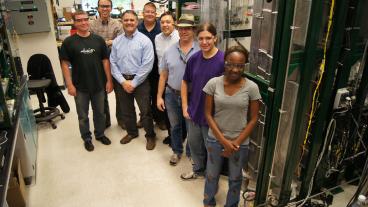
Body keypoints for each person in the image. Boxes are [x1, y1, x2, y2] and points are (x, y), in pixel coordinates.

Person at [202, 46, 261, 207]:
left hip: (240, 143)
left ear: (244, 66)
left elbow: (254, 118)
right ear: (224, 63)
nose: (235, 69)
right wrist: (223, 141)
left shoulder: (252, 87)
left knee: (235, 178)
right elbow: (208, 114)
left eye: (240, 65)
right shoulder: (213, 84)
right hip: (215, 140)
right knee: (212, 175)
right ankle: (208, 202)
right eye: (230, 64)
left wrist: (235, 142)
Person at [60, 10, 113, 152]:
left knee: (100, 113)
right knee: (83, 116)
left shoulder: (98, 40)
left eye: (85, 19)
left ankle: (100, 134)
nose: (83, 22)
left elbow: (105, 61)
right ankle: (87, 138)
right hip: (79, 87)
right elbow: (65, 64)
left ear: (89, 20)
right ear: (74, 22)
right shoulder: (69, 42)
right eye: (79, 20)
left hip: (98, 85)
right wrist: (69, 85)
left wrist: (109, 80)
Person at [180, 23, 225, 179]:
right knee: (194, 145)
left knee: (211, 149)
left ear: (215, 38)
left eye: (208, 38)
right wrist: (185, 106)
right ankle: (198, 170)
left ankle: (212, 177)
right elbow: (185, 82)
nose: (204, 42)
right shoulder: (194, 59)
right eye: (201, 39)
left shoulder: (223, 60)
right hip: (194, 113)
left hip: (212, 117)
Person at [110, 10, 157, 150]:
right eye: (126, 20)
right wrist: (123, 82)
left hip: (140, 81)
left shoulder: (144, 40)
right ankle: (131, 132)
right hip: (122, 81)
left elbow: (148, 64)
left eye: (132, 20)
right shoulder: (117, 41)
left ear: (137, 22)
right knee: (126, 110)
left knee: (145, 111)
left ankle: (150, 135)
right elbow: (113, 63)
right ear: (122, 22)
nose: (129, 22)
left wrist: (134, 82)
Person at [157, 14, 199, 165]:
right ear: (177, 30)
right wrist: (159, 97)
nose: (184, 32)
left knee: (191, 127)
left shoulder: (200, 50)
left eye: (187, 28)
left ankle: (190, 152)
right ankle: (176, 151)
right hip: (171, 94)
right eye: (181, 29)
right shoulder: (169, 51)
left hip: (192, 96)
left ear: (193, 30)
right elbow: (163, 75)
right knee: (175, 126)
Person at [90, 0, 123, 129]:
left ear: (111, 8)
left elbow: (120, 42)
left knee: (120, 95)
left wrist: (102, 43)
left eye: (107, 6)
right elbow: (90, 42)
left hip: (116, 64)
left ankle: (122, 120)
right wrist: (110, 42)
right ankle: (105, 121)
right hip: (98, 65)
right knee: (101, 94)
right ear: (98, 8)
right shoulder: (91, 25)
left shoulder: (118, 24)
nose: (105, 9)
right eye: (102, 6)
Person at [138, 2, 167, 130]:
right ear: (143, 13)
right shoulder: (137, 28)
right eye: (147, 11)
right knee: (143, 95)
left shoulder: (162, 27)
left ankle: (159, 118)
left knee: (157, 93)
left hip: (158, 69)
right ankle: (144, 117)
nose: (149, 14)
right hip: (141, 68)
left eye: (152, 12)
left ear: (156, 14)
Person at [154, 11, 179, 145]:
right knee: (168, 112)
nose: (165, 25)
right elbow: (160, 60)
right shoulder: (157, 38)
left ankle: (180, 137)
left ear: (174, 23)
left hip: (178, 80)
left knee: (180, 112)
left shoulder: (180, 36)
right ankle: (171, 136)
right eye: (162, 22)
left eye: (168, 22)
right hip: (163, 79)